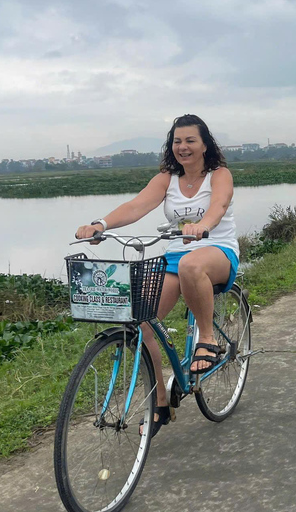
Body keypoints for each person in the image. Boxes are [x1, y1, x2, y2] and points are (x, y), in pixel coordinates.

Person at [75, 114, 239, 437]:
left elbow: (219, 205)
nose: (183, 147)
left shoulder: (219, 175)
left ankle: (206, 338)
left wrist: (203, 225)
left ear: (205, 144)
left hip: (216, 251)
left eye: (191, 140)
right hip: (175, 258)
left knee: (193, 265)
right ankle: (160, 404)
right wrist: (101, 225)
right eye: (177, 141)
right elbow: (137, 206)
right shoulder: (167, 178)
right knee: (143, 318)